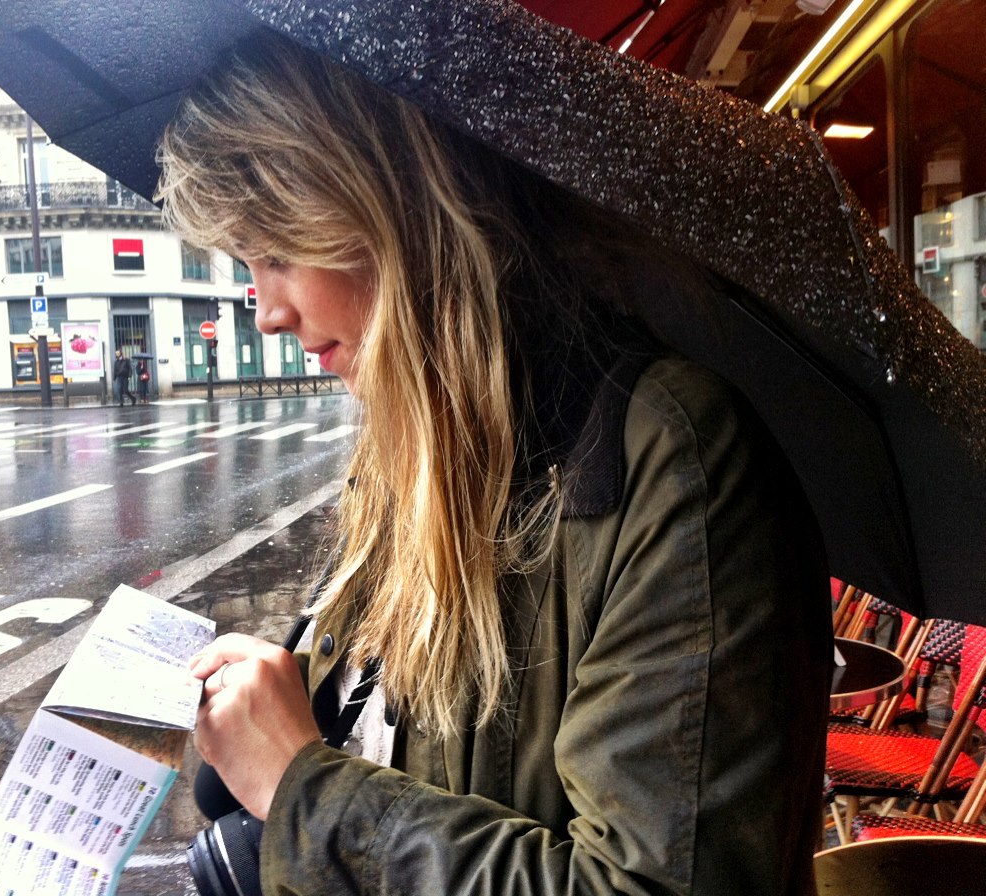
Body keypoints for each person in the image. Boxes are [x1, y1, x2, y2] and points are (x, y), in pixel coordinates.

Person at [169, 34, 831, 896]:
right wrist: (275, 707)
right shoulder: (415, 450)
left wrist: (304, 795)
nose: (267, 313)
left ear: (393, 212)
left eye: (278, 252)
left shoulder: (677, 467)